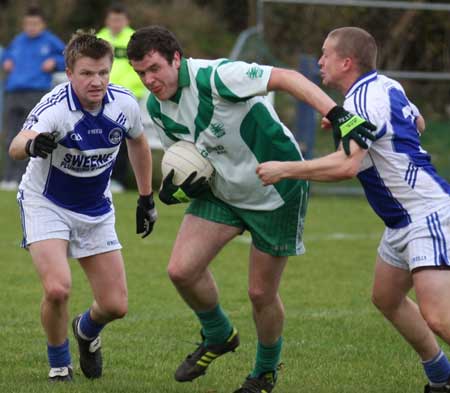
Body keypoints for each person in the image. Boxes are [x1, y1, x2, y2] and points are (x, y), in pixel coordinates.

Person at [126, 25, 374, 393]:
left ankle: (265, 371)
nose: (149, 80)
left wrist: (338, 114)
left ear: (176, 59)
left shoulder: (216, 76)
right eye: (140, 73)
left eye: (154, 69)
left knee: (260, 294)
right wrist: (170, 192)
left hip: (276, 188)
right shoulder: (156, 108)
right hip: (223, 190)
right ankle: (218, 334)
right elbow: (189, 157)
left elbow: (287, 77)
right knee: (181, 270)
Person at [256, 27, 450, 393]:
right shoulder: (386, 85)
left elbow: (346, 167)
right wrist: (363, 130)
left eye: (325, 54)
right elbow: (418, 123)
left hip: (426, 213)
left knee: (439, 317)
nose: (319, 61)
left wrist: (286, 169)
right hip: (400, 221)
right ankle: (441, 377)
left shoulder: (362, 101)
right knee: (386, 298)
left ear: (346, 62)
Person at [9, 31, 157, 382]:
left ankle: (86, 330)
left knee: (115, 306)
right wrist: (32, 146)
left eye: (103, 72)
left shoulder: (124, 104)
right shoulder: (56, 107)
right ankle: (59, 363)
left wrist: (146, 197)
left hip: (95, 208)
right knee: (58, 288)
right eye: (88, 73)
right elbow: (17, 144)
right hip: (46, 202)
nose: (97, 81)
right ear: (70, 72)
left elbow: (138, 143)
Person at [1, 6, 65, 191]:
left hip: (35, 92)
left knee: (29, 135)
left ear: (43, 24)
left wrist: (56, 62)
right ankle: (8, 177)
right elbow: (6, 55)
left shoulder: (50, 41)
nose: (31, 27)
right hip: (13, 91)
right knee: (11, 136)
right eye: (28, 24)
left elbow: (69, 57)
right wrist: (6, 60)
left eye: (35, 24)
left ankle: (24, 177)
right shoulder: (18, 40)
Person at [97, 3, 146, 192]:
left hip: (127, 96)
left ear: (126, 21)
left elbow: (139, 68)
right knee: (100, 136)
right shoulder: (99, 39)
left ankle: (118, 179)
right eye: (112, 19)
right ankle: (101, 177)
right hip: (102, 95)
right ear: (107, 21)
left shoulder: (135, 40)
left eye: (120, 20)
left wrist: (126, 89)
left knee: (125, 137)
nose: (116, 23)